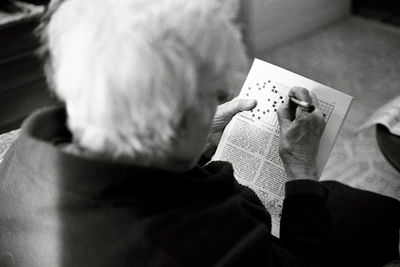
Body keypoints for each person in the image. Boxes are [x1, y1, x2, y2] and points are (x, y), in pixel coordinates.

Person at [0, 0, 399, 266]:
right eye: (213, 94)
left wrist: (187, 147)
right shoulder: (202, 238)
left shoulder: (30, 141)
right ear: (182, 116)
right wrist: (299, 170)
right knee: (377, 213)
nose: (223, 97)